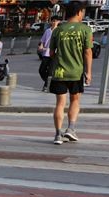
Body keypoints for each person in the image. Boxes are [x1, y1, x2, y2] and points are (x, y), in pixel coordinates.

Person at [50, 1, 92, 145]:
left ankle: (57, 135)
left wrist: (59, 62)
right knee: (75, 100)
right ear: (79, 12)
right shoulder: (85, 29)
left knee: (60, 103)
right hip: (76, 72)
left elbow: (51, 53)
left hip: (59, 72)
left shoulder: (58, 30)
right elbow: (87, 52)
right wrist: (88, 72)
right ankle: (71, 128)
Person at [38, 16, 61, 90]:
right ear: (51, 22)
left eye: (56, 21)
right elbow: (42, 41)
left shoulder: (59, 31)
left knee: (50, 71)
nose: (54, 22)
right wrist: (41, 46)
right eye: (53, 21)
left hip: (54, 54)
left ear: (58, 22)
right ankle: (49, 82)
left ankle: (46, 85)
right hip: (45, 53)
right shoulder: (47, 31)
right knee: (41, 70)